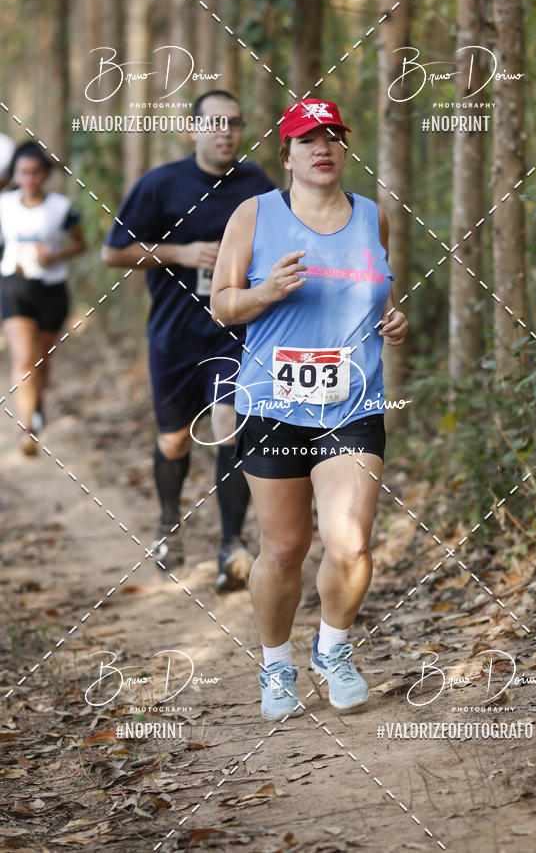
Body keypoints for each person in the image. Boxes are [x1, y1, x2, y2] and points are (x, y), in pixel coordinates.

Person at [210, 97, 409, 720]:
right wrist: (266, 292)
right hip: (274, 402)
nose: (322, 148)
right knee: (284, 548)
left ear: (344, 149)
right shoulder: (255, 214)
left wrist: (393, 318)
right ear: (287, 156)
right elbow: (222, 304)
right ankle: (276, 665)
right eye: (307, 139)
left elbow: (379, 291)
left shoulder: (373, 216)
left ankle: (333, 649)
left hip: (353, 401)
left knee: (350, 543)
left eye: (332, 137)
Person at [102, 90, 275, 589]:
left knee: (229, 423)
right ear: (192, 129)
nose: (226, 132)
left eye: (234, 123)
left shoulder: (256, 185)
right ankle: (168, 523)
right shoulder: (160, 185)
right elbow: (114, 253)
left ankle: (231, 545)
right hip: (175, 335)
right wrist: (180, 252)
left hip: (234, 332)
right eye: (215, 123)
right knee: (174, 439)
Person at [0, 141, 86, 455]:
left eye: (35, 172)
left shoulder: (60, 207)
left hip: (51, 290)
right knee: (24, 357)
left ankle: (36, 406)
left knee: (42, 359)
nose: (29, 179)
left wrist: (54, 256)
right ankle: (28, 429)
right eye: (23, 172)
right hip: (14, 287)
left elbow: (80, 245)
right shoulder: (4, 205)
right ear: (15, 174)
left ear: (45, 174)